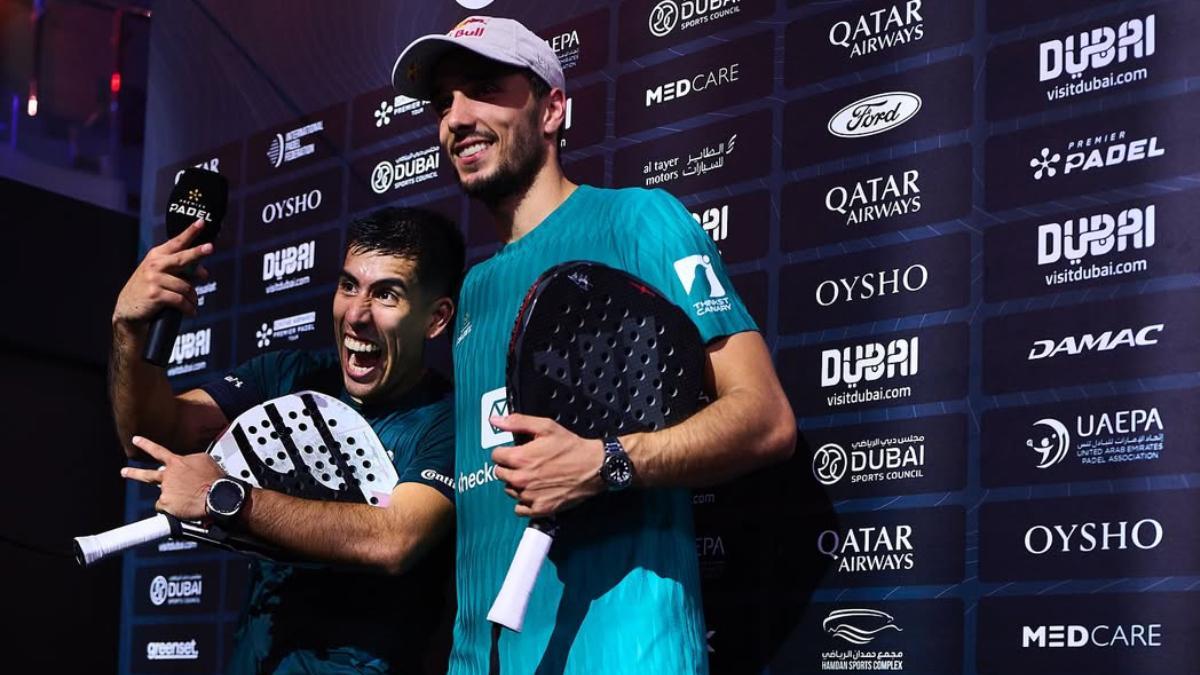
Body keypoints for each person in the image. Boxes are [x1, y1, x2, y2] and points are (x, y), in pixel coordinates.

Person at [392, 16, 796, 674]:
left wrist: (605, 462)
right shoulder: (475, 290)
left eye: (484, 88)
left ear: (552, 109)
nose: (456, 118)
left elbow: (765, 417)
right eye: (443, 103)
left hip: (627, 653)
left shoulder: (638, 219)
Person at [110, 206, 465, 674]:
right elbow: (153, 434)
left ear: (437, 318)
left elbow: (395, 538)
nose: (356, 315)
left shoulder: (449, 417)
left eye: (386, 295)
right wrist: (129, 331)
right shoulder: (286, 375)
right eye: (348, 286)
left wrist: (227, 499)